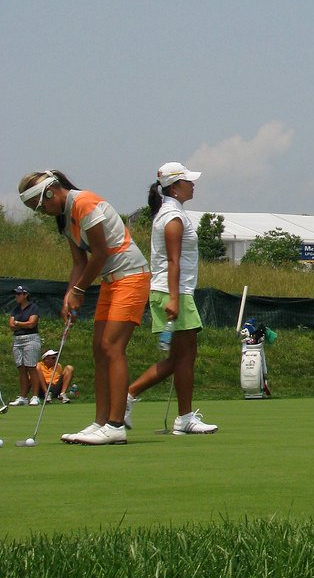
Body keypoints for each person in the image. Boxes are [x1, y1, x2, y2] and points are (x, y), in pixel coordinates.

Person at [18, 170, 151, 445]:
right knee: (98, 350)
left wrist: (79, 291)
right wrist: (69, 296)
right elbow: (79, 263)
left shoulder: (84, 203)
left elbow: (100, 253)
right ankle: (100, 422)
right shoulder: (65, 218)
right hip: (110, 281)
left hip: (132, 276)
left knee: (112, 347)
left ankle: (116, 425)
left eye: (39, 205)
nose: (41, 211)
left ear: (51, 192)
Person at [126, 163, 218, 435]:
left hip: (172, 291)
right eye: (188, 181)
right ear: (175, 186)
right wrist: (175, 299)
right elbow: (173, 261)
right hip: (172, 292)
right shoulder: (172, 217)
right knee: (185, 358)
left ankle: (134, 399)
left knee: (180, 359)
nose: (193, 185)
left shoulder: (174, 213)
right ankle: (182, 417)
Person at [9, 285, 42, 407]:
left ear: (25, 295)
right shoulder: (15, 309)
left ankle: (35, 396)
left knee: (31, 367)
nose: (16, 296)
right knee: (21, 368)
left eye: (18, 294)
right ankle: (23, 397)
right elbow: (11, 325)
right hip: (17, 339)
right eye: (16, 294)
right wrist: (21, 323)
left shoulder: (33, 308)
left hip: (31, 339)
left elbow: (31, 324)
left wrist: (18, 323)